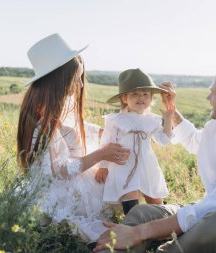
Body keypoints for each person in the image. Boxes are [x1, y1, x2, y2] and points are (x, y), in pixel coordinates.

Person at [94, 57, 216, 253]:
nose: (208, 98)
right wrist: (172, 111)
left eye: (213, 93)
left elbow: (215, 209)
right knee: (141, 212)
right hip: (203, 213)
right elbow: (194, 141)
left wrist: (140, 232)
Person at [16, 33, 130, 243]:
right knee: (106, 181)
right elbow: (60, 171)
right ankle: (135, 220)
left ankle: (136, 214)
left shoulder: (53, 106)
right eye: (76, 77)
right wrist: (100, 154)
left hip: (62, 180)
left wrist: (100, 132)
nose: (80, 82)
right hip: (59, 188)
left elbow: (71, 125)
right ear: (59, 80)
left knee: (109, 170)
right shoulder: (43, 124)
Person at [94, 68, 175, 215]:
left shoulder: (152, 120)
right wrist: (103, 166)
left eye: (145, 94)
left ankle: (162, 223)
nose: (141, 98)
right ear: (124, 98)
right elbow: (106, 142)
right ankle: (133, 224)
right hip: (124, 165)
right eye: (135, 94)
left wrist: (168, 121)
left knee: (155, 197)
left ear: (151, 99)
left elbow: (163, 140)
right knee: (129, 193)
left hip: (147, 164)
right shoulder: (116, 120)